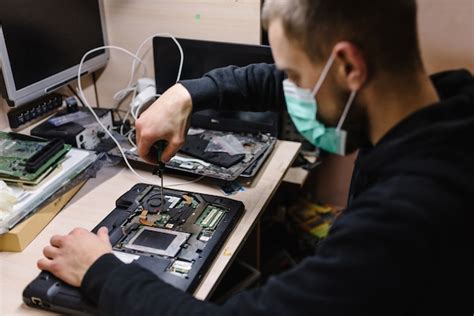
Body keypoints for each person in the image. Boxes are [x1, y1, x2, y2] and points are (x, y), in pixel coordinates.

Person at [38, 0, 474, 315]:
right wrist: (186, 93)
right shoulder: (448, 101)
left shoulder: (410, 214)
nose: (290, 89)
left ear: (349, 67)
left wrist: (101, 271)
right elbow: (268, 79)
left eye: (298, 77)